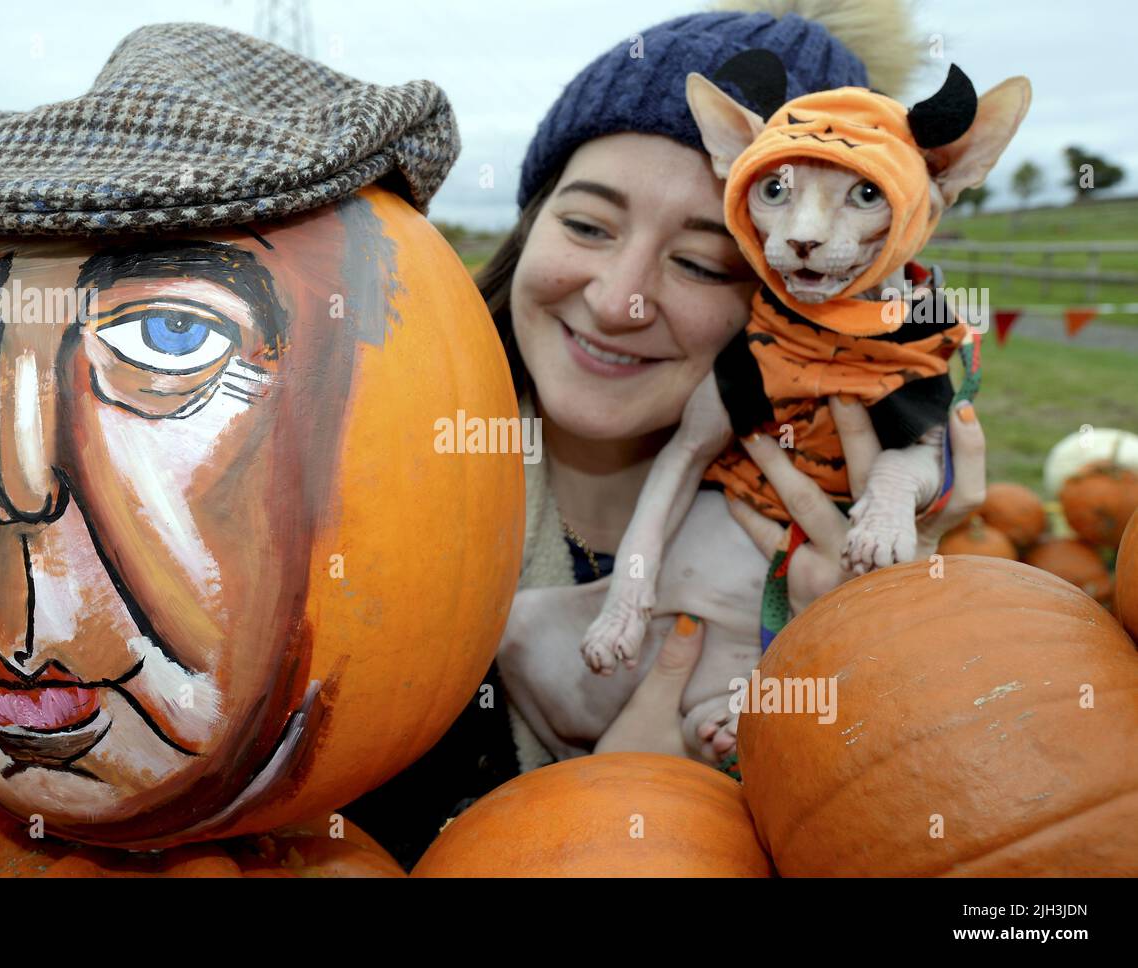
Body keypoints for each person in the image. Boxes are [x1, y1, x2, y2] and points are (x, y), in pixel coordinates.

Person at [343, 1, 988, 870]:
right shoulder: (361, 509)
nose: (618, 300)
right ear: (530, 224)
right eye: (586, 224)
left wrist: (869, 644)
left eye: (701, 262)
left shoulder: (872, 546)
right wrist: (622, 794)